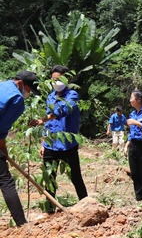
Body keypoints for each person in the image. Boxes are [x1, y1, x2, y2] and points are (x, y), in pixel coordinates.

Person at [31, 65, 88, 213]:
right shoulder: (50, 97)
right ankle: (49, 209)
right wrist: (43, 143)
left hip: (68, 144)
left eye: (59, 79)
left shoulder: (72, 95)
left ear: (66, 79)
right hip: (51, 144)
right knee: (49, 178)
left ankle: (86, 205)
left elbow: (62, 111)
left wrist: (43, 119)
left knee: (75, 176)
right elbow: (49, 124)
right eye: (53, 79)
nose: (56, 82)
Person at [0, 71, 38, 226]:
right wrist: (4, 152)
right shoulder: (16, 99)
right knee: (5, 181)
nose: (28, 94)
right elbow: (1, 130)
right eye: (29, 90)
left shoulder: (2, 85)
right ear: (21, 83)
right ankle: (22, 224)